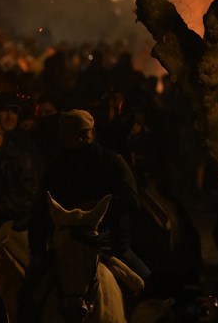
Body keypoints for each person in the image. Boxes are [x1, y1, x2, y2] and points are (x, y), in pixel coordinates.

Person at [27, 109, 149, 280]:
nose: (83, 137)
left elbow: (131, 199)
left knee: (145, 282)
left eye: (86, 132)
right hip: (69, 245)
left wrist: (94, 206)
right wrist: (38, 251)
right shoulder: (58, 169)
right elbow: (40, 211)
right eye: (76, 133)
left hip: (110, 245)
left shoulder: (112, 162)